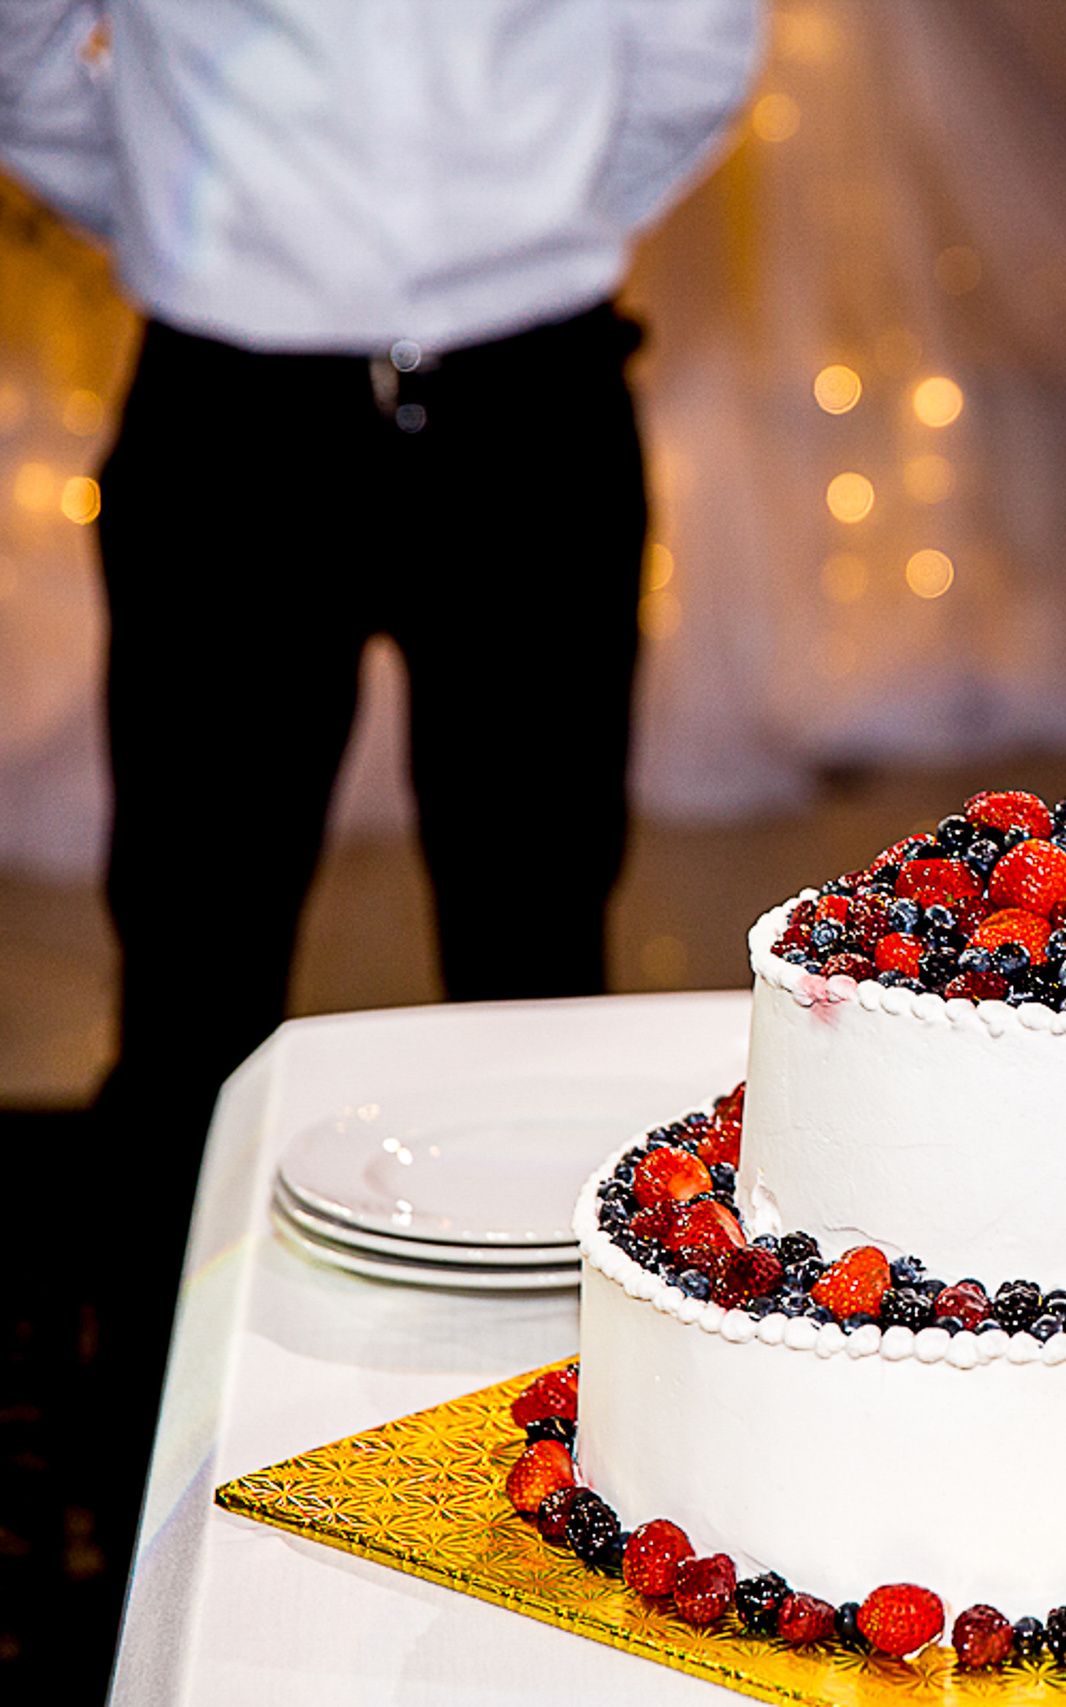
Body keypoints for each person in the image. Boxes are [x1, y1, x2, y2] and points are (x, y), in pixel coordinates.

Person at [0, 1, 761, 1159]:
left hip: (534, 409)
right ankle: (163, 1315)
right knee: (195, 958)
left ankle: (546, 1324)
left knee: (540, 955)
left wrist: (541, 226)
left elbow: (695, 40)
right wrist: (174, 204)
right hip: (232, 423)